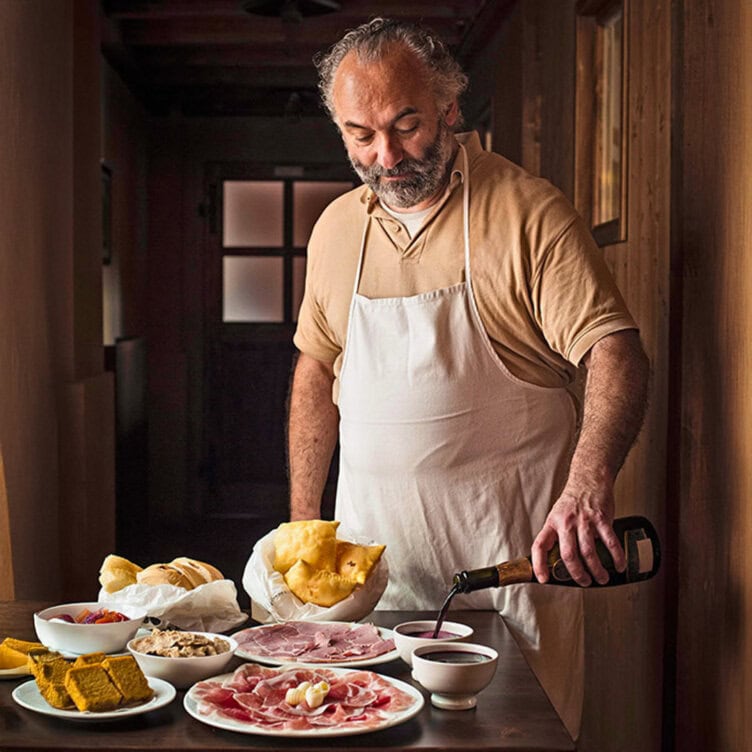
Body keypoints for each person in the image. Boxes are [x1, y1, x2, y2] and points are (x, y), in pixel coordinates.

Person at [287, 17, 649, 739]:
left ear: (450, 107)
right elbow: (315, 372)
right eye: (360, 134)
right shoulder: (334, 230)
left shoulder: (528, 214)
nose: (385, 155)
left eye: (406, 124)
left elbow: (615, 350)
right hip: (371, 596)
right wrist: (304, 526)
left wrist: (587, 482)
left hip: (505, 590)